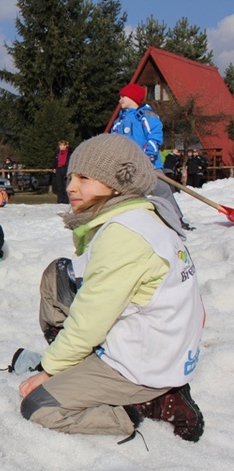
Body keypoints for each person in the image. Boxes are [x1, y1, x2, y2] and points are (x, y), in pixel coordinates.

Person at [18, 134, 205, 443]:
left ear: (117, 184)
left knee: (39, 406)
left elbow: (91, 319)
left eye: (85, 178)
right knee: (58, 275)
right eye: (72, 175)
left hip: (142, 366)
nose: (71, 186)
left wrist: (50, 371)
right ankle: (77, 363)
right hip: (156, 343)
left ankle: (137, 406)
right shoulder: (138, 216)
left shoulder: (125, 235)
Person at [110, 83, 192, 230]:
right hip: (128, 166)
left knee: (162, 191)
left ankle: (176, 219)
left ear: (133, 97)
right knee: (128, 194)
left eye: (123, 96)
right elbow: (115, 141)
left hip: (150, 164)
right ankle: (129, 221)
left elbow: (154, 137)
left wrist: (148, 155)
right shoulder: (119, 122)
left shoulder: (146, 116)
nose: (120, 100)